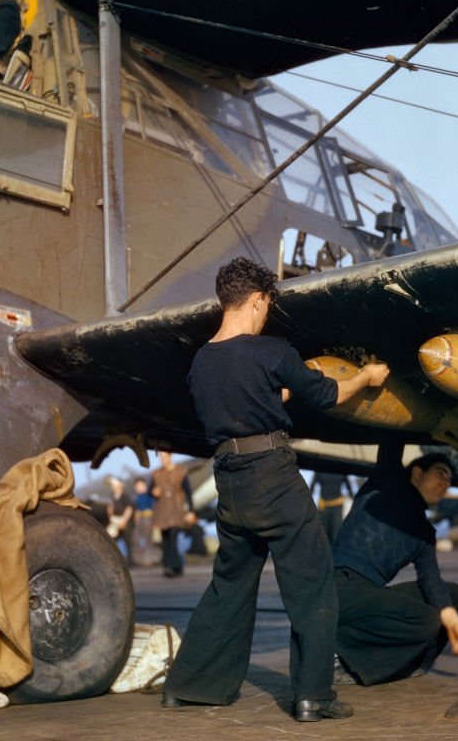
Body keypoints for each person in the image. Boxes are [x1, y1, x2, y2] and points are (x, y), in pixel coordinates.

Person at [161, 257, 389, 723]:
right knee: (312, 586)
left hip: (230, 484)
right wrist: (365, 378)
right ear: (258, 300)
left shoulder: (201, 362)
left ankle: (189, 687)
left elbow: (238, 403)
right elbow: (326, 395)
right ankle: (313, 697)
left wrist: (277, 391)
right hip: (274, 477)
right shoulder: (273, 350)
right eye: (267, 305)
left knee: (229, 586)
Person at [331, 452, 458, 686]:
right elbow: (392, 438)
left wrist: (455, 624)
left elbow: (432, 581)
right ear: (417, 473)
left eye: (449, 480)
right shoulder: (386, 484)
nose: (445, 483)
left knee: (453, 595)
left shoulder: (424, 532)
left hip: (370, 593)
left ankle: (411, 664)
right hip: (338, 586)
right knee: (426, 619)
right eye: (440, 473)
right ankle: (340, 657)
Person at [151, 451, 192, 577]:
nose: (162, 460)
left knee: (174, 538)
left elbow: (188, 492)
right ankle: (169, 566)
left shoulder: (181, 471)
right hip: (162, 511)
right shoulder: (156, 474)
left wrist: (191, 510)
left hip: (176, 510)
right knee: (165, 539)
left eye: (164, 457)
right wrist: (154, 492)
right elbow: (149, 491)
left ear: (170, 456)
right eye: (161, 458)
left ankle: (174, 566)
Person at [311, 471, 355, 545]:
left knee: (336, 534)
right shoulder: (319, 470)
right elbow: (312, 488)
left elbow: (349, 487)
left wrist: (355, 504)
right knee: (323, 536)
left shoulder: (341, 470)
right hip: (323, 507)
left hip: (336, 507)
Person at [105, 476, 134, 565]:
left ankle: (130, 562)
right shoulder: (112, 496)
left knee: (127, 541)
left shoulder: (125, 496)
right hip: (115, 520)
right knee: (112, 539)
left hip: (124, 519)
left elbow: (129, 508)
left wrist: (124, 521)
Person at [130, 476, 156, 567]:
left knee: (148, 540)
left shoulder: (149, 496)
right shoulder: (136, 498)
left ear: (145, 486)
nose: (139, 487)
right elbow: (137, 510)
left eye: (141, 485)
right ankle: (139, 561)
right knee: (137, 540)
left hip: (148, 519)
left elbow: (153, 508)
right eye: (137, 486)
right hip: (139, 519)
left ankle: (149, 560)